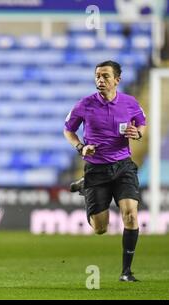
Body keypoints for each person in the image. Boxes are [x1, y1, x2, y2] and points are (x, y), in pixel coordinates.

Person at [63, 60, 146, 282]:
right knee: (100, 228)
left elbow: (141, 124)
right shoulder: (84, 104)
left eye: (106, 76)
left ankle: (126, 272)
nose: (100, 79)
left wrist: (137, 133)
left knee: (130, 213)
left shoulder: (129, 103)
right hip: (96, 168)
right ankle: (85, 185)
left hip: (123, 166)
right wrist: (81, 147)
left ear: (117, 80)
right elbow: (68, 130)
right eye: (98, 75)